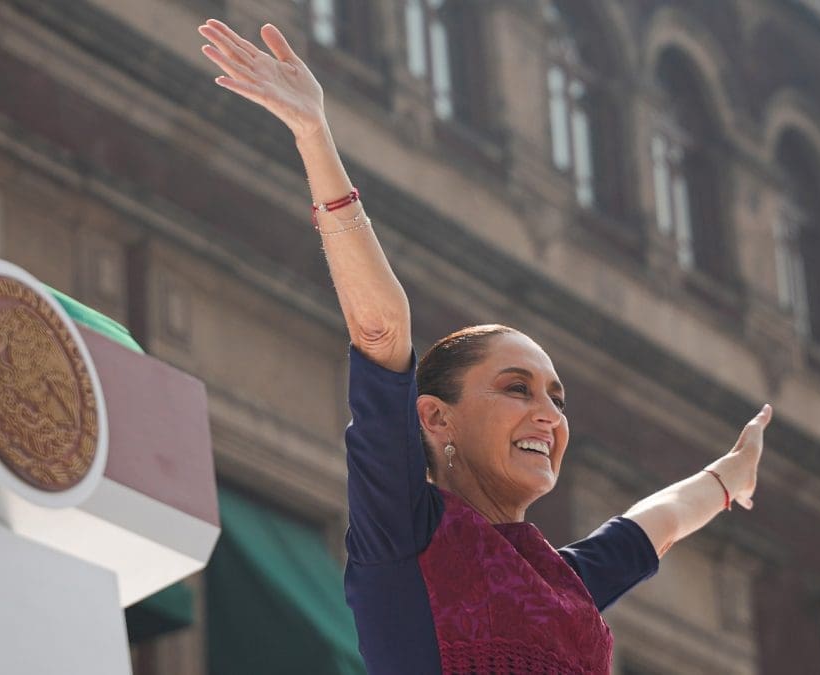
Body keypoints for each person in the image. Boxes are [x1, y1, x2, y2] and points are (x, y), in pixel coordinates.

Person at [198, 19, 772, 674]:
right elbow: (381, 328)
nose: (549, 416)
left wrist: (729, 477)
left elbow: (659, 522)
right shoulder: (405, 534)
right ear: (436, 417)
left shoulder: (564, 583)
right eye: (515, 387)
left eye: (555, 398)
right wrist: (313, 134)